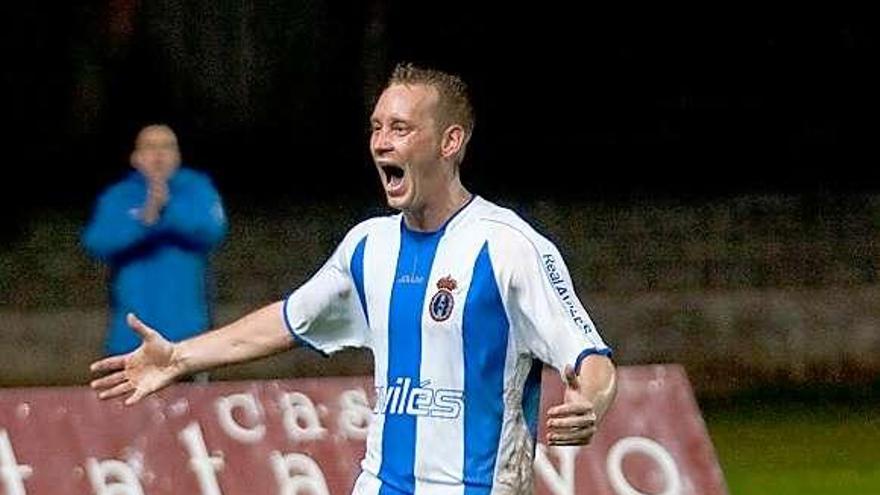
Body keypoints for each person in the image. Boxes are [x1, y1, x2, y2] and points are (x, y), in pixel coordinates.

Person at [90, 65, 616, 494]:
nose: (382, 143)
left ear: (451, 141)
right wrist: (180, 356)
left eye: (401, 129)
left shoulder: (509, 247)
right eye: (377, 127)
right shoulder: (369, 245)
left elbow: (589, 357)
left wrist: (589, 403)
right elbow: (290, 318)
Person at [83, 124, 228, 358]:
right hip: (130, 337)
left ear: (178, 155)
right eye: (150, 147)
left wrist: (167, 210)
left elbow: (212, 230)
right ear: (135, 157)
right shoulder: (119, 196)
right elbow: (98, 242)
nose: (159, 155)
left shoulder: (197, 189)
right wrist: (144, 221)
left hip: (189, 337)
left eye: (167, 147)